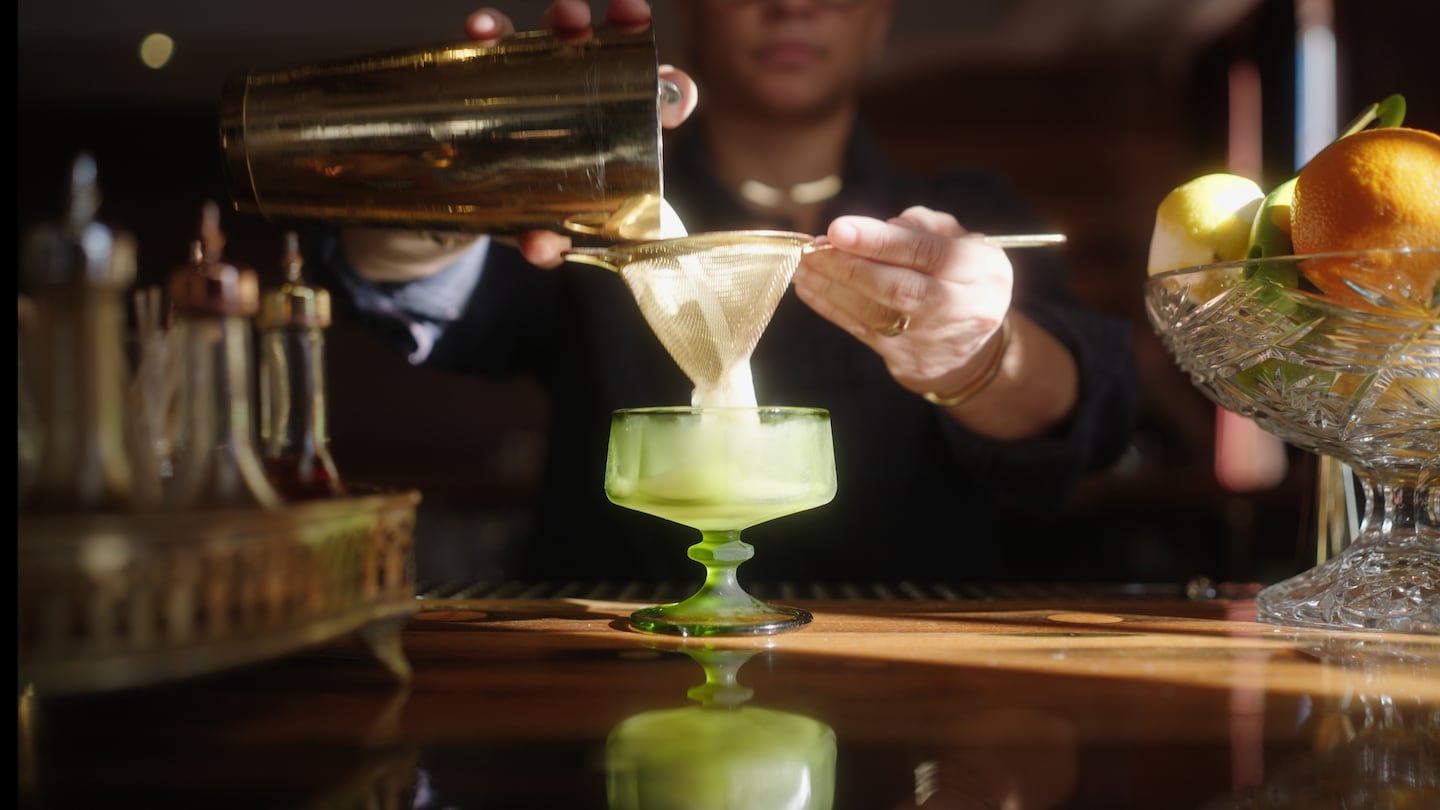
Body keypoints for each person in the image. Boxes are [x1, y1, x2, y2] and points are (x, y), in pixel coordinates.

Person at [317, 0, 1141, 584]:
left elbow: (1093, 409)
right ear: (695, 15)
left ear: (879, 19)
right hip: (610, 665)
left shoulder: (971, 208)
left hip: (913, 695)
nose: (792, 6)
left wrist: (977, 353)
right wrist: (438, 194)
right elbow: (428, 288)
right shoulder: (593, 212)